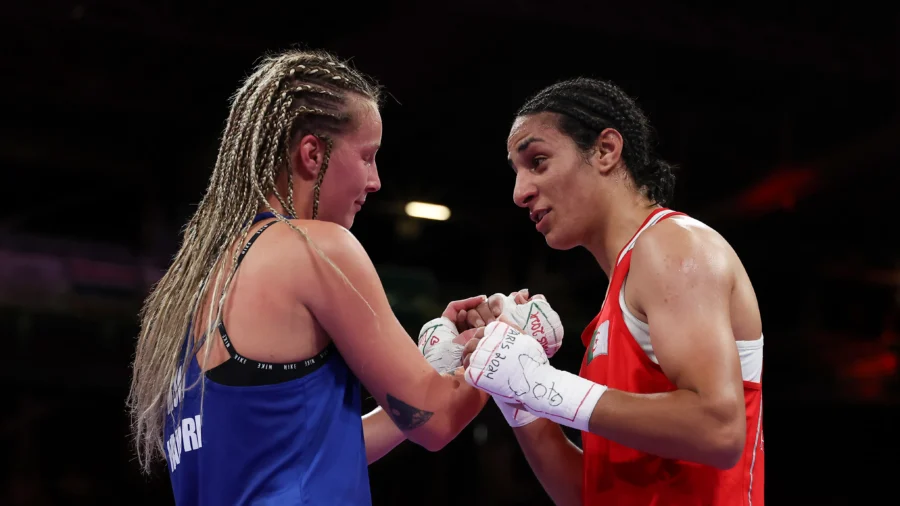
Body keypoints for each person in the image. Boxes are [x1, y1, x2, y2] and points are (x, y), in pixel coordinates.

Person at [127, 48, 499, 505]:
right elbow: (438, 423)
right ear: (312, 153)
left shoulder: (194, 285)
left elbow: (307, 455)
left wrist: (439, 368)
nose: (376, 180)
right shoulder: (317, 247)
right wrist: (508, 345)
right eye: (367, 157)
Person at [461, 78, 765, 506]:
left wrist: (541, 382)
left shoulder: (674, 246)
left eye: (539, 161)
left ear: (605, 150)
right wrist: (515, 391)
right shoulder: (615, 304)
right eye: (517, 172)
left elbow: (719, 430)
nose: (520, 192)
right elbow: (586, 496)